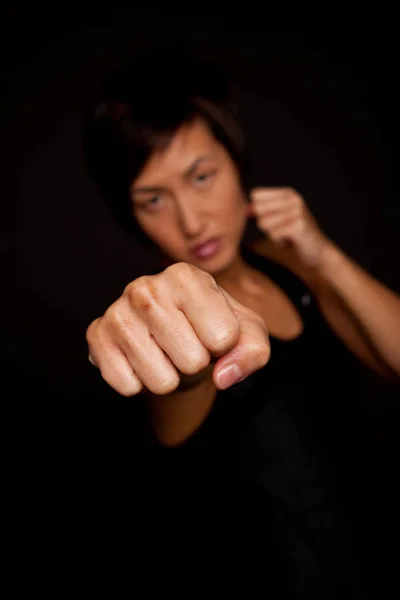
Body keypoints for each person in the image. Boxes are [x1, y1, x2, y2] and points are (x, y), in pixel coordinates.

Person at [79, 44, 400, 595]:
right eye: (152, 200)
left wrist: (324, 257)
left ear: (237, 163)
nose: (190, 218)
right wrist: (159, 334)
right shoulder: (168, 323)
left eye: (202, 177)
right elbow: (175, 387)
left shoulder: (290, 266)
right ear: (129, 216)